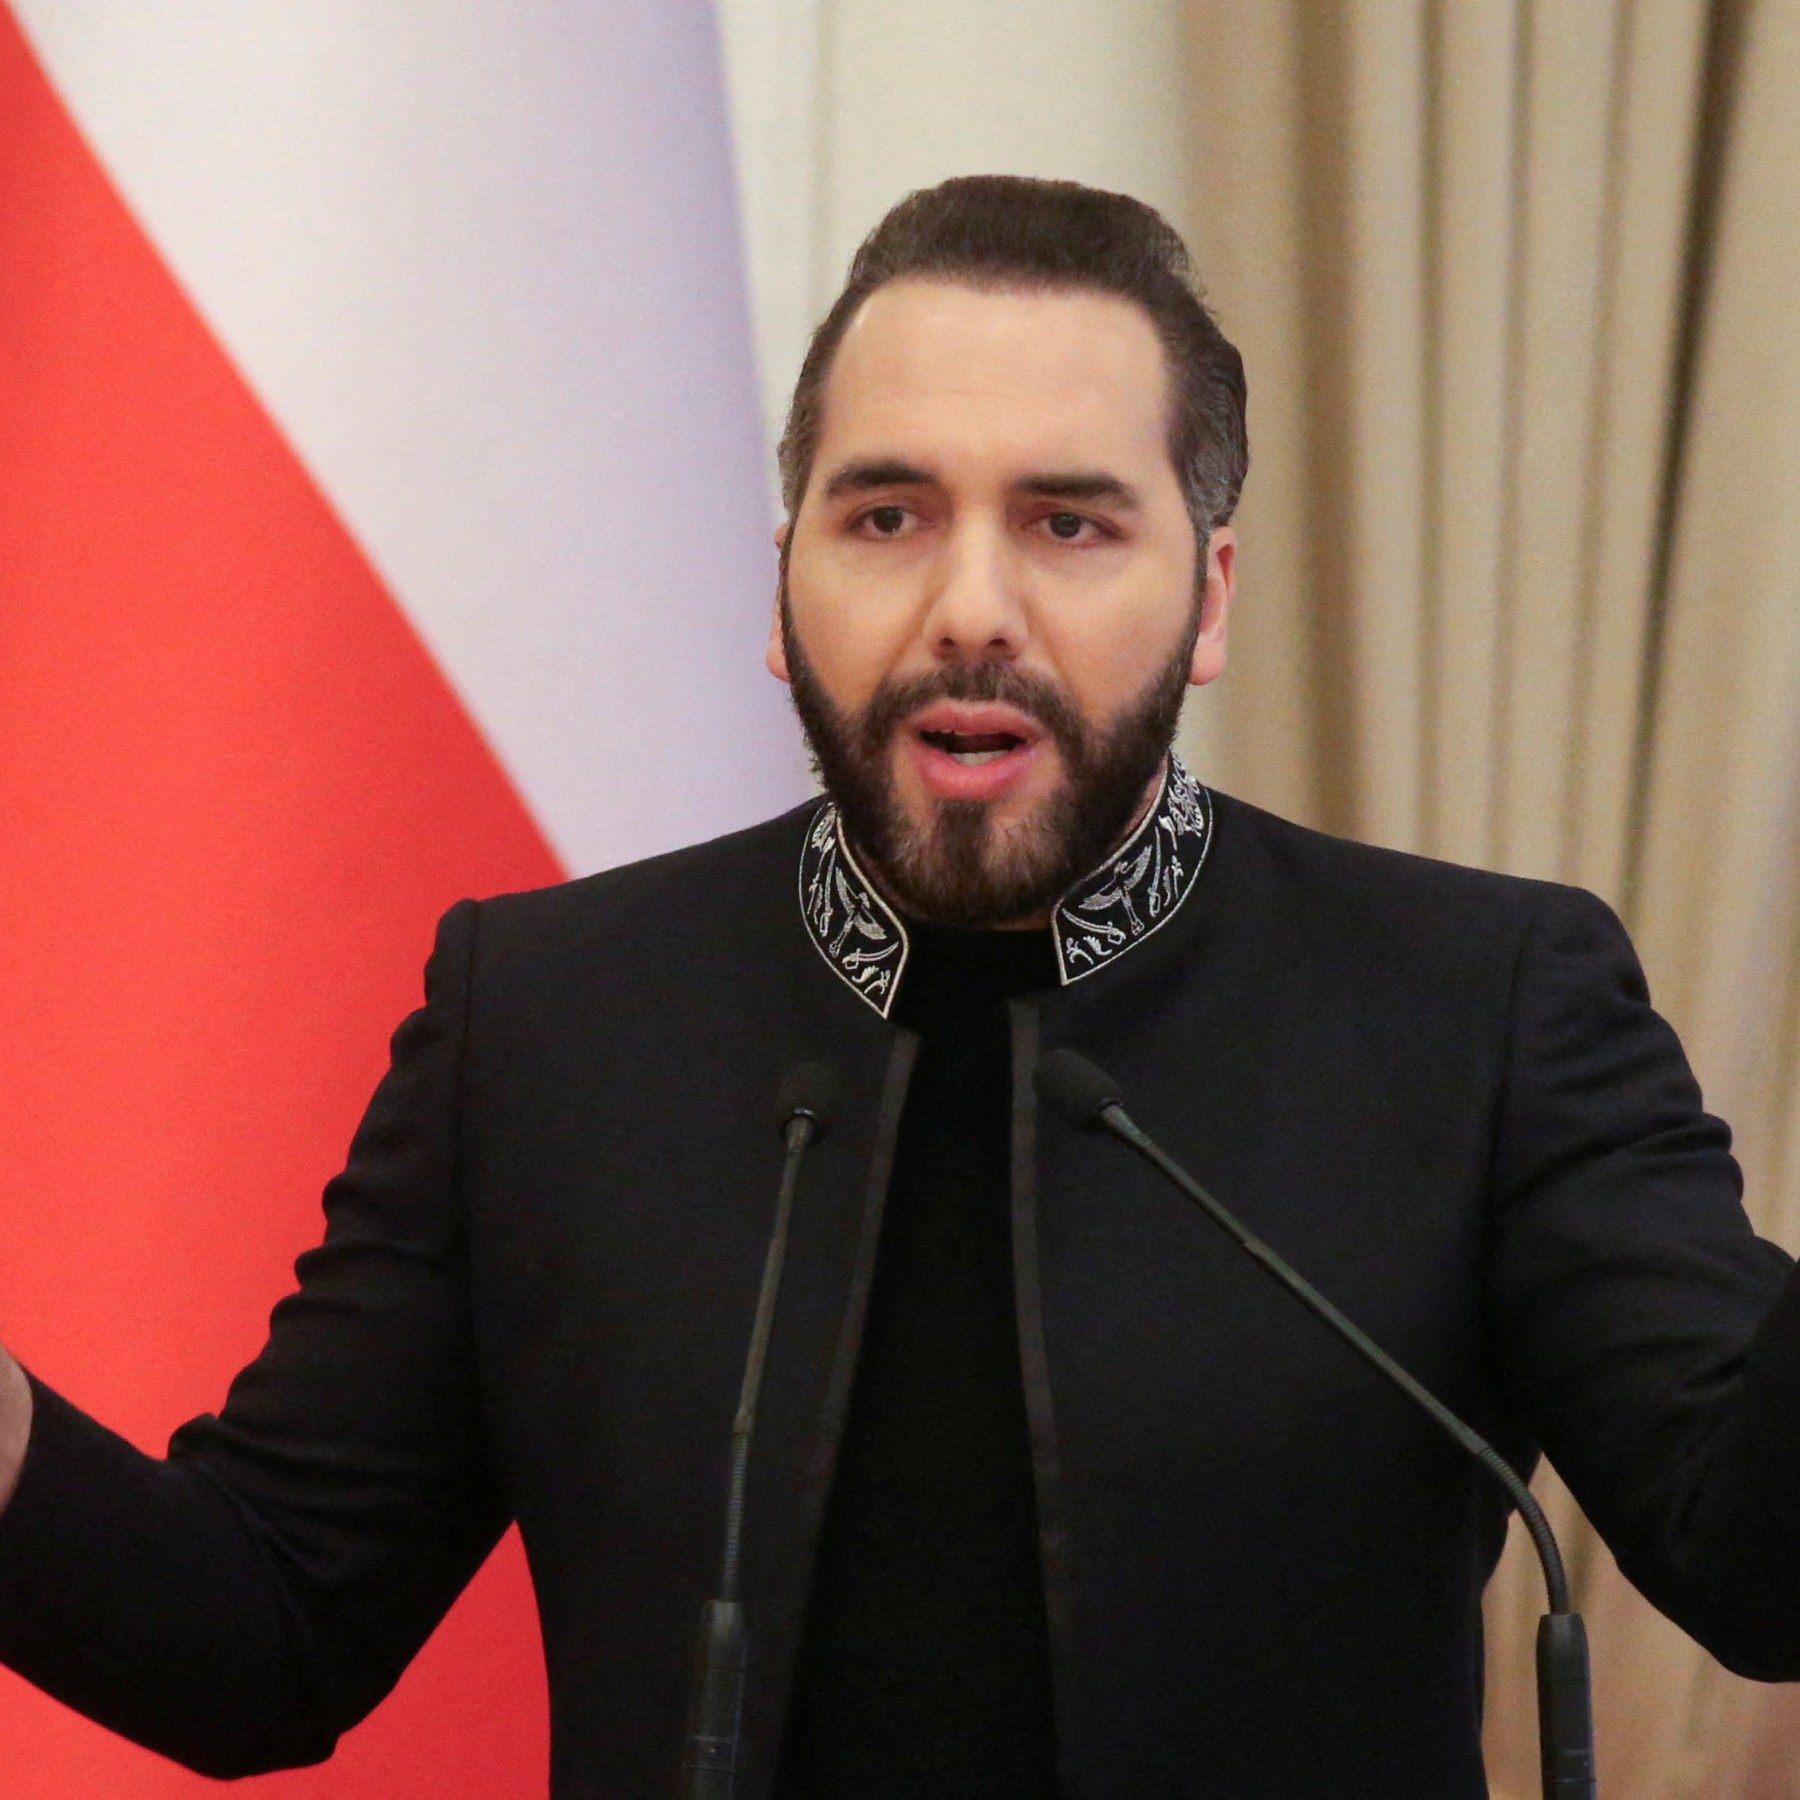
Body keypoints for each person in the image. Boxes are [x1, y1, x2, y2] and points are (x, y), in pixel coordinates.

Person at [2, 174, 1798, 1800]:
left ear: (1209, 599)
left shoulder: (1478, 1008)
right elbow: (254, 1633)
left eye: (1070, 524)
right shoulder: (548, 1023)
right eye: (886, 516)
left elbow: (1758, 1562)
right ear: (784, 586)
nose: (970, 608)